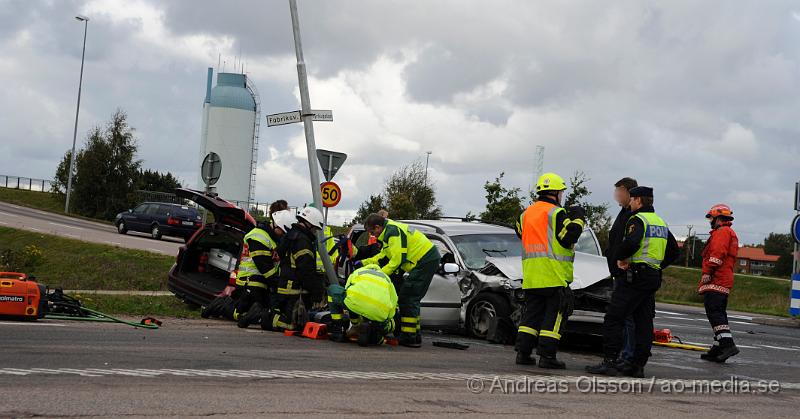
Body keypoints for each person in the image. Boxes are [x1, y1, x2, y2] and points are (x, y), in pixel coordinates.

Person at [586, 186, 679, 377]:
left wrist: (620, 257)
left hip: (635, 277)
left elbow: (631, 243)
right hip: (652, 277)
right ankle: (637, 365)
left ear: (638, 201)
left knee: (614, 317)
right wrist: (658, 266)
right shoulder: (660, 222)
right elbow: (674, 251)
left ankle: (610, 361)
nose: (630, 202)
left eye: (632, 199)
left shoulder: (637, 220)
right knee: (643, 322)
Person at [514, 172, 586, 369]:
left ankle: (523, 352)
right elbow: (569, 236)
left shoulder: (525, 213)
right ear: (555, 193)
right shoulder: (556, 213)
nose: (562, 196)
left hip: (531, 276)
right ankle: (547, 356)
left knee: (531, 316)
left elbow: (520, 232)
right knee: (553, 318)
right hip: (553, 275)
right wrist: (579, 217)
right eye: (561, 192)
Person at [357, 214, 441, 348]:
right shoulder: (388, 232)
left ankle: (409, 337)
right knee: (411, 298)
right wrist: (364, 263)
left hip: (425, 260)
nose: (372, 236)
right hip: (425, 260)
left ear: (378, 227)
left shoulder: (392, 232)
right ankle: (415, 334)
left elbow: (397, 260)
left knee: (408, 297)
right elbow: (384, 256)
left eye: (372, 232)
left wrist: (381, 275)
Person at [263, 206, 326, 331]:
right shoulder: (303, 241)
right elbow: (305, 271)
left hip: (285, 288)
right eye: (314, 229)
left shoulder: (290, 236)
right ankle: (266, 317)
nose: (314, 232)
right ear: (309, 224)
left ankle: (268, 315)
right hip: (295, 291)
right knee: (295, 325)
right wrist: (316, 292)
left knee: (295, 321)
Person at [698, 204, 740, 362]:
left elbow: (717, 254)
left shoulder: (722, 232)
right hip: (722, 278)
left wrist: (707, 272)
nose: (710, 221)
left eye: (711, 218)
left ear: (719, 218)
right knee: (718, 313)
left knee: (715, 313)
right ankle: (718, 347)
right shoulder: (728, 232)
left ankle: (727, 345)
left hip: (718, 278)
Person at [606, 177, 638, 367]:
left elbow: (629, 243)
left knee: (627, 317)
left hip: (627, 273)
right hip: (618, 271)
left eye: (618, 191)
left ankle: (628, 355)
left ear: (627, 191)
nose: (616, 195)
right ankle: (624, 353)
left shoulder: (632, 215)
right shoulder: (624, 212)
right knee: (623, 316)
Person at [327, 264, 398, 346]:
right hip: (379, 312)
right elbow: (393, 302)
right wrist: (385, 318)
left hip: (356, 302)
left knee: (333, 290)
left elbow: (347, 291)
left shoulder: (358, 272)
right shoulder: (386, 278)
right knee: (390, 323)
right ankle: (376, 333)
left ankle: (338, 331)